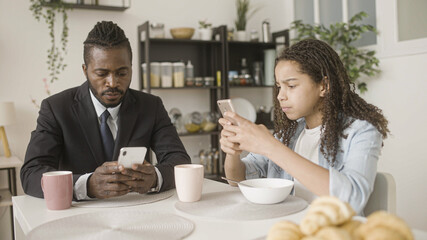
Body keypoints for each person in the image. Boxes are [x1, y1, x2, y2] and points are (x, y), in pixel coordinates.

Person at [21, 21, 191, 200]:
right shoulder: (56, 109)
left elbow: (179, 160)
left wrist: (155, 177)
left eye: (122, 73)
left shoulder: (151, 106)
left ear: (131, 69)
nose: (112, 82)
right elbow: (31, 174)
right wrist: (86, 186)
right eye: (102, 74)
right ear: (85, 71)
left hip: (137, 211)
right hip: (77, 217)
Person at [219, 39, 389, 215]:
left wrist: (271, 147)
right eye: (279, 87)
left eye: (291, 86)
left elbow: (352, 199)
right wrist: (233, 152)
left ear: (324, 85)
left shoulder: (361, 131)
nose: (280, 96)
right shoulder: (288, 134)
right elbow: (237, 179)